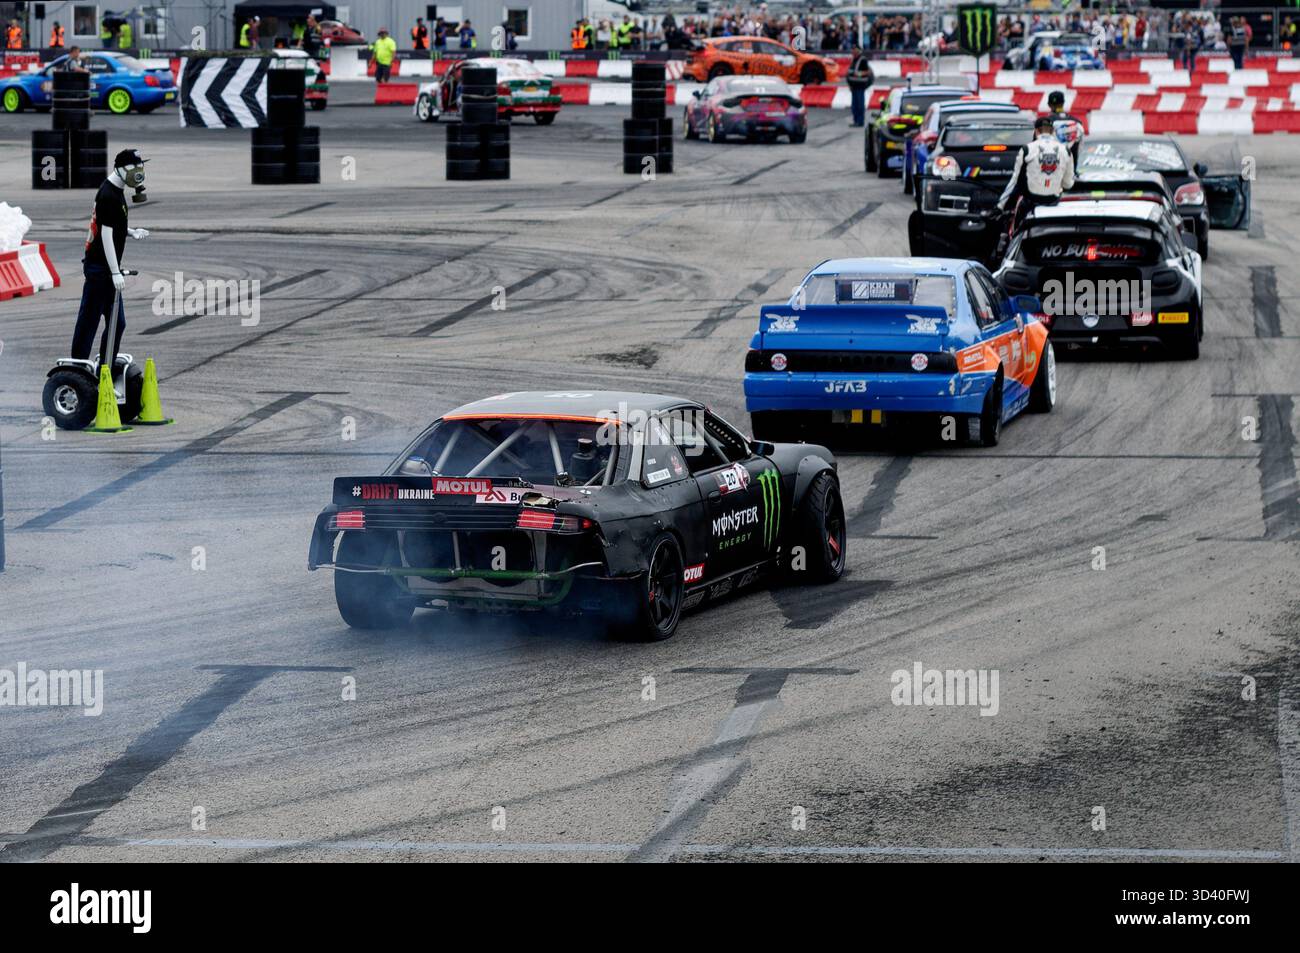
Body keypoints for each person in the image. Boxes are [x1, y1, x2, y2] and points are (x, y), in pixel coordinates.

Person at [73, 150, 150, 369]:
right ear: (120, 168)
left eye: (140, 167)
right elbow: (105, 235)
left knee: (118, 323)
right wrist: (115, 272)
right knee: (89, 320)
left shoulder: (117, 190)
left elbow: (114, 225)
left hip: (106, 268)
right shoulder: (108, 194)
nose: (138, 173)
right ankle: (77, 368)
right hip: (100, 269)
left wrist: (132, 231)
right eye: (134, 168)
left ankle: (105, 368)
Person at [998, 116, 1075, 233]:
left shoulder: (1027, 149)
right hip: (1053, 204)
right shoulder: (1066, 150)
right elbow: (1068, 184)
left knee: (1011, 235)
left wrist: (999, 207)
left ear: (1036, 131)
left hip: (1029, 205)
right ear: (1052, 131)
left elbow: (1014, 183)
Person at [846, 43, 873, 127]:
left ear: (858, 50)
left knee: (860, 105)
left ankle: (860, 121)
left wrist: (859, 74)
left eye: (854, 49)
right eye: (852, 49)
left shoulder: (863, 60)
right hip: (854, 86)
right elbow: (850, 73)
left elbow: (868, 72)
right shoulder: (854, 60)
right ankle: (856, 120)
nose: (852, 51)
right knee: (854, 106)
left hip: (860, 86)